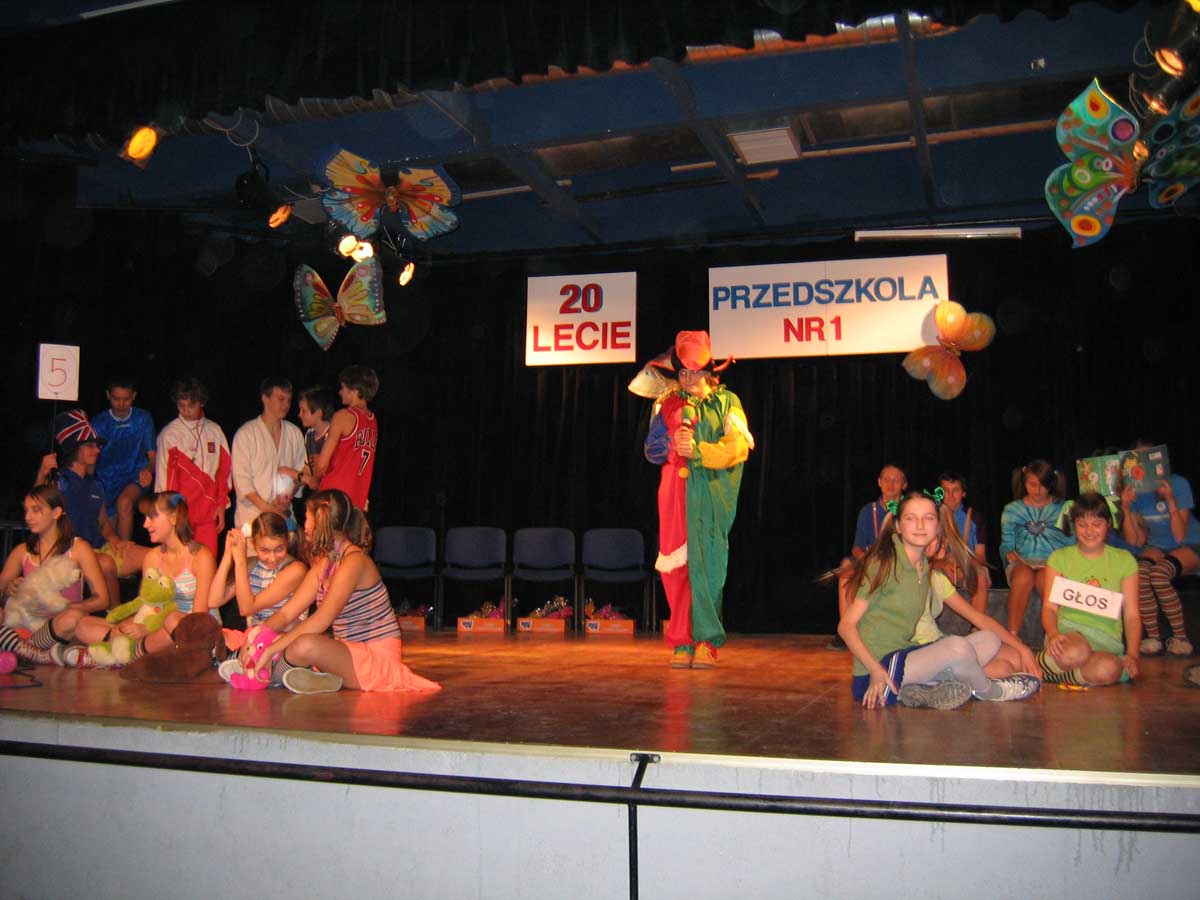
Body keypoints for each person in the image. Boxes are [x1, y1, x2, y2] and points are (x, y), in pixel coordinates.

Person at [839, 492, 1041, 710]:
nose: (920, 525)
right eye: (910, 518)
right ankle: (990, 690)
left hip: (907, 655)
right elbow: (846, 626)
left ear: (937, 526)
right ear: (898, 526)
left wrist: (1023, 649)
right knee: (958, 648)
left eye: (928, 518)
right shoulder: (884, 563)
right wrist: (875, 670)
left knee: (989, 639)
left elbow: (979, 619)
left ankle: (924, 688)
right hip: (877, 672)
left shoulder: (923, 567)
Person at [236, 489, 440, 694]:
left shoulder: (354, 562)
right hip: (347, 654)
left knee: (304, 645)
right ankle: (308, 676)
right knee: (283, 638)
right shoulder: (326, 564)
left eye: (307, 518)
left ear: (321, 522)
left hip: (375, 658)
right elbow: (286, 613)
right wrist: (254, 637)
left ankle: (264, 674)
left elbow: (321, 620)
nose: (304, 526)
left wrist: (271, 649)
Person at [641, 330, 753, 669]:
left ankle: (706, 641)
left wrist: (700, 451)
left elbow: (738, 447)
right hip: (674, 494)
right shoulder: (667, 403)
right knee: (676, 570)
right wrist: (670, 445)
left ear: (708, 372)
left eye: (694, 372)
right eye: (683, 372)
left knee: (708, 568)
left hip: (709, 494)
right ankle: (682, 641)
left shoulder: (727, 402)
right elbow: (651, 449)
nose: (688, 379)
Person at [50, 492, 218, 668]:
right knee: (84, 625)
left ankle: (121, 655)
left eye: (152, 517)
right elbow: (147, 605)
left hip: (187, 633)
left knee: (172, 622)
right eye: (145, 518)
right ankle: (129, 652)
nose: (145, 524)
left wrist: (148, 629)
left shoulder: (201, 557)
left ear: (173, 518)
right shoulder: (152, 558)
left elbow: (199, 618)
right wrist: (126, 627)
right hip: (153, 631)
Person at [35, 409, 147, 606]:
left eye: (97, 446)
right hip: (71, 553)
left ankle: (149, 612)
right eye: (90, 446)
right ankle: (114, 616)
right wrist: (42, 473)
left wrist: (115, 540)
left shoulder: (95, 484)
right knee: (106, 564)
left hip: (100, 547)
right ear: (74, 448)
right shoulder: (59, 480)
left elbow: (103, 523)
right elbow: (35, 508)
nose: (97, 450)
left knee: (156, 557)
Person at [1038, 492, 1140, 687]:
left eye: (1096, 524)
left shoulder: (1125, 561)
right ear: (1074, 525)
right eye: (1082, 524)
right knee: (1075, 652)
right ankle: (1040, 664)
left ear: (1108, 524)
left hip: (1107, 641)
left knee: (1109, 669)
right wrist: (1053, 634)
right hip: (1069, 635)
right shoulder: (1059, 558)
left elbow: (1132, 615)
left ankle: (1052, 672)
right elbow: (1049, 608)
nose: (1089, 531)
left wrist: (1133, 654)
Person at [0, 485, 108, 664]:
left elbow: (102, 600)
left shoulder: (79, 548)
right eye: (26, 510)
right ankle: (28, 651)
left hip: (56, 629)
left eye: (36, 510)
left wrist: (63, 608)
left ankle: (22, 650)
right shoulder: (22, 551)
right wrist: (7, 592)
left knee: (73, 618)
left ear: (56, 512)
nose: (27, 517)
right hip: (23, 627)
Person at [1120, 440, 1200, 657]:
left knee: (1159, 574)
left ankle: (1180, 638)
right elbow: (1135, 541)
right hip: (1158, 546)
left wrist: (1170, 499)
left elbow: (1179, 535)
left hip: (1190, 543)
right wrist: (1126, 508)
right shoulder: (1136, 491)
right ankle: (1153, 637)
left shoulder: (1178, 483)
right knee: (1139, 574)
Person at [830, 464, 907, 648]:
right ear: (879, 482)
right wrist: (868, 561)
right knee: (846, 566)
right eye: (886, 479)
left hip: (902, 563)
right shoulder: (868, 511)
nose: (890, 484)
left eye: (896, 480)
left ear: (904, 485)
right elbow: (857, 548)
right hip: (872, 561)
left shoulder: (910, 510)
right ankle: (846, 630)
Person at [207, 512, 307, 655]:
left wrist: (240, 561)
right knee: (210, 637)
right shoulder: (252, 565)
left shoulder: (295, 569)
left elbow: (247, 609)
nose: (272, 558)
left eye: (279, 549)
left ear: (287, 542)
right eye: (265, 550)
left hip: (285, 638)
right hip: (254, 636)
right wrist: (228, 555)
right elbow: (214, 600)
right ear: (254, 545)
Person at [155, 376, 231, 555]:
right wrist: (169, 514)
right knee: (181, 565)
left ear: (201, 402)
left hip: (208, 515)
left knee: (208, 562)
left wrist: (221, 504)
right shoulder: (169, 435)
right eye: (181, 406)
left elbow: (224, 471)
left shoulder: (215, 431)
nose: (186, 411)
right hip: (181, 515)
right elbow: (163, 480)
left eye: (191, 405)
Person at [999, 460, 1071, 635]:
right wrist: (1008, 553)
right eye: (1032, 484)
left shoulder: (1063, 508)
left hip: (1053, 563)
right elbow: (1006, 544)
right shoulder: (1012, 510)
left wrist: (1062, 563)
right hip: (1022, 562)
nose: (1037, 490)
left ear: (1051, 484)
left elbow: (1071, 542)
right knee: (1023, 576)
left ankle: (1055, 634)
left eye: (1043, 485)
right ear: (1024, 483)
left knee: (1046, 577)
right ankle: (1013, 633)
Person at [231, 377, 306, 535]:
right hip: (252, 518)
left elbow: (302, 472)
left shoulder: (294, 433)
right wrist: (268, 508)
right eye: (281, 399)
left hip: (284, 517)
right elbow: (242, 481)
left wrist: (288, 495)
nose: (286, 405)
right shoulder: (246, 434)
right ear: (265, 398)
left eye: (289, 400)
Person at [91, 377, 156, 541]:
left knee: (124, 502)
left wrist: (148, 470)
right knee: (109, 537)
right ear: (108, 395)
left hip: (135, 476)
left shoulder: (143, 418)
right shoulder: (98, 423)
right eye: (116, 399)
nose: (121, 404)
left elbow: (152, 456)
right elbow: (91, 457)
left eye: (126, 399)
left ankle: (126, 553)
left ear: (133, 396)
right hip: (106, 481)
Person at [314, 365, 379, 511]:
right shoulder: (373, 422)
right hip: (356, 500)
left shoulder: (343, 416)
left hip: (333, 497)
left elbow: (322, 465)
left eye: (343, 387)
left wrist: (314, 479)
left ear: (354, 389)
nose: (340, 391)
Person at [933, 470, 990, 614]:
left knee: (981, 576)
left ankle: (977, 624)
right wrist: (941, 564)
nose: (950, 495)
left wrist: (965, 567)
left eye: (956, 490)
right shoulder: (929, 516)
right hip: (938, 567)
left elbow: (980, 556)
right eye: (945, 490)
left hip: (967, 566)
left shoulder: (974, 518)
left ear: (964, 493)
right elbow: (922, 558)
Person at [295, 385, 335, 493]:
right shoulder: (309, 435)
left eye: (303, 411)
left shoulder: (335, 434)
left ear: (319, 413)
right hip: (321, 494)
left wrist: (326, 464)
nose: (299, 414)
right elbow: (307, 470)